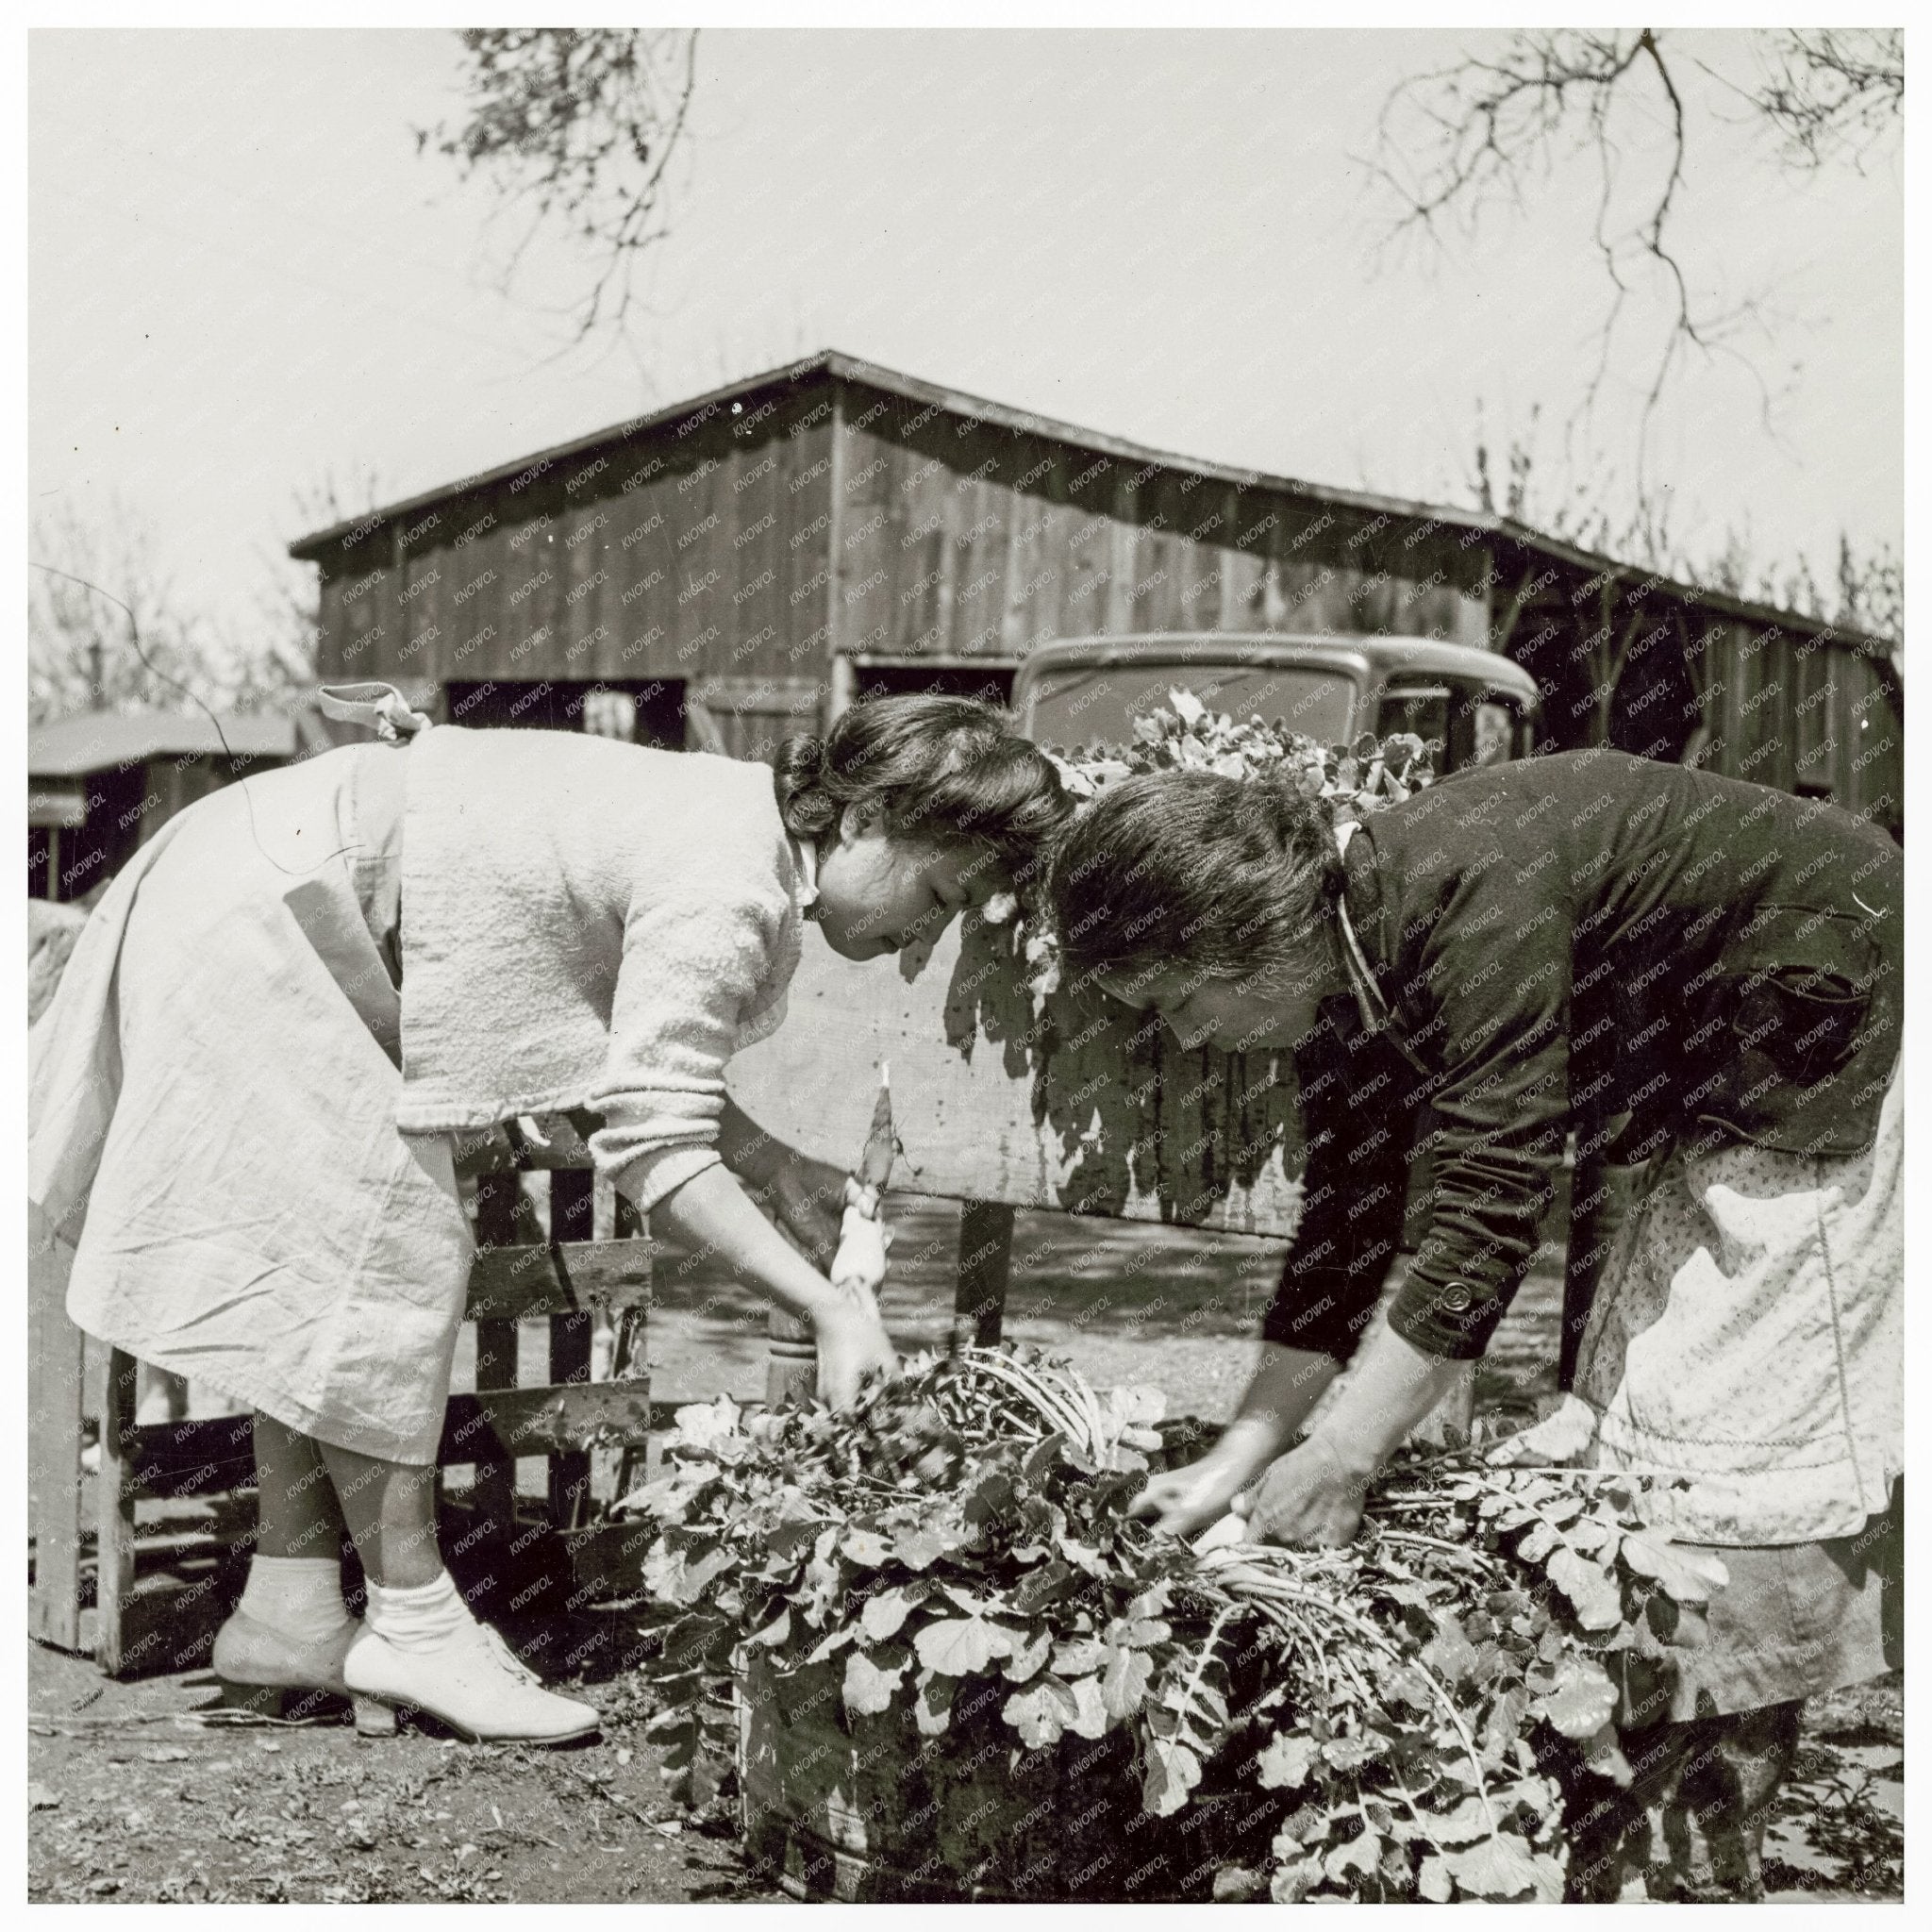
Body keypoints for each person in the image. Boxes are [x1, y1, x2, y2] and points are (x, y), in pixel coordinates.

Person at [30, 686, 1068, 1745]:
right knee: (384, 1242)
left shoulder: (725, 822)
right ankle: (414, 1618)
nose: (916, 945)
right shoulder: (727, 873)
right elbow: (651, 1140)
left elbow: (602, 1057)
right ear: (861, 818)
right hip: (274, 902)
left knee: (329, 1258)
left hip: (279, 875)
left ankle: (289, 1609)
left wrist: (776, 1167)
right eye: (936, 896)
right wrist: (826, 1307)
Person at [1049, 745, 1901, 1901]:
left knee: (1730, 1449)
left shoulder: (1466, 893)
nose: (1189, 1038)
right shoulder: (1347, 953)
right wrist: (1242, 1454)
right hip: (1725, 1061)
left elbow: (1488, 1208)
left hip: (1838, 1023)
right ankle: (1646, 1804)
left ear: (1238, 931)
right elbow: (1345, 1219)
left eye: (1174, 1002)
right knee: (1637, 1427)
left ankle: (1694, 1855)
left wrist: (1346, 1454)